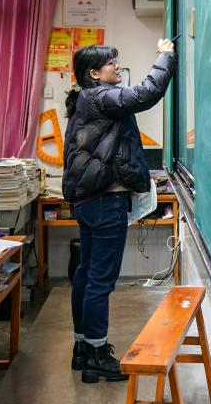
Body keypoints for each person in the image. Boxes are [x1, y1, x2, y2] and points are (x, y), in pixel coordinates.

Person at [63, 40, 176, 382]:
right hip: (106, 201)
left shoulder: (86, 99)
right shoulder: (100, 96)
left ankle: (83, 347)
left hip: (89, 201)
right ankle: (97, 354)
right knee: (100, 280)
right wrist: (165, 56)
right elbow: (146, 94)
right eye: (111, 62)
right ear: (94, 74)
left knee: (86, 275)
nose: (117, 66)